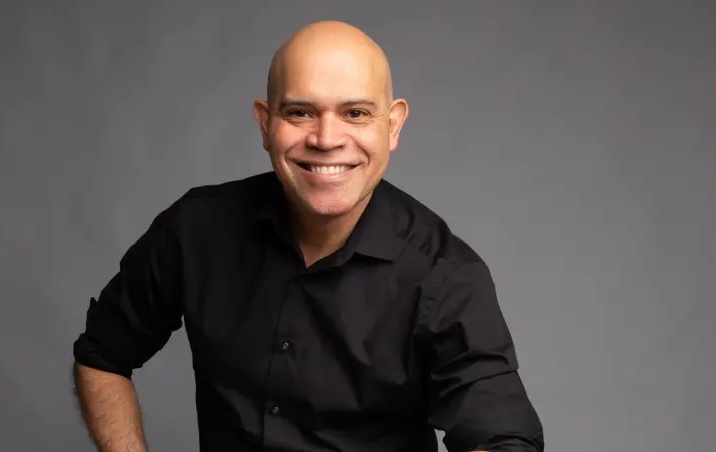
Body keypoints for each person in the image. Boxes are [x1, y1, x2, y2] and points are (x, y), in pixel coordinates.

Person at [72, 20, 544, 452]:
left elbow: (504, 440)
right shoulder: (196, 229)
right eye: (300, 112)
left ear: (393, 125)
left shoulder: (445, 276)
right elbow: (102, 356)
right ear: (265, 124)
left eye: (355, 113)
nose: (326, 138)